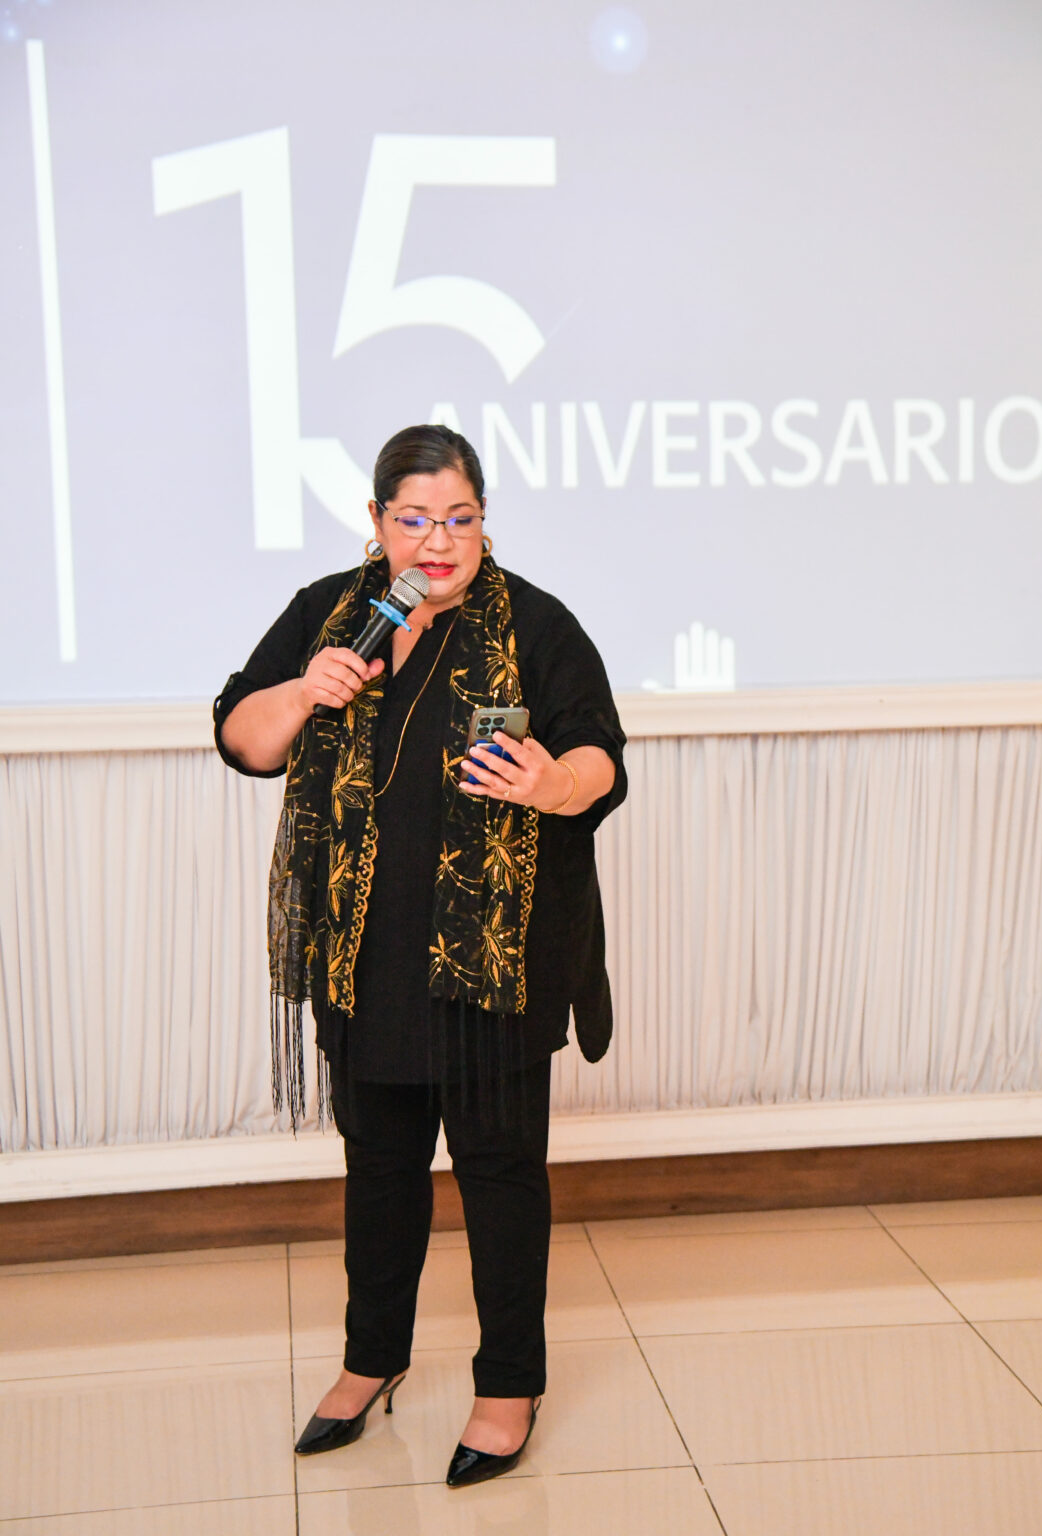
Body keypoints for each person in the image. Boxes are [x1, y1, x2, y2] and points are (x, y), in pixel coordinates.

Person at [214, 424, 626, 1487]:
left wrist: (552, 782)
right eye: (415, 518)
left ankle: (509, 1384)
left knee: (500, 1175)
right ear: (377, 521)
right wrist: (305, 690)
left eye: (460, 518)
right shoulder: (331, 615)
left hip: (494, 964)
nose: (438, 542)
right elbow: (243, 738)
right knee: (381, 1171)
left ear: (484, 520)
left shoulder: (536, 623)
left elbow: (600, 758)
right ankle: (372, 1359)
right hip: (361, 960)